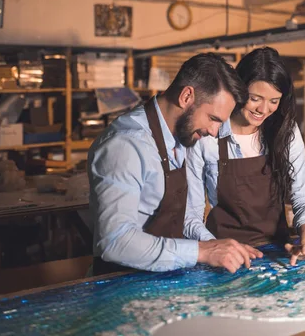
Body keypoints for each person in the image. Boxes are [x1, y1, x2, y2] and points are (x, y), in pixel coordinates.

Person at [88, 52, 264, 276]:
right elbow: (115, 242)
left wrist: (222, 248)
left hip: (162, 281)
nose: (214, 132)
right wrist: (202, 252)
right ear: (186, 96)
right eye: (213, 119)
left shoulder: (184, 138)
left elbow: (187, 219)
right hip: (120, 284)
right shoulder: (126, 145)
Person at [184, 47, 305, 266]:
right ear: (238, 89)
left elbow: (303, 196)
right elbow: (191, 216)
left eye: (274, 101)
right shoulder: (207, 134)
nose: (263, 109)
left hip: (276, 252)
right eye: (255, 98)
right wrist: (216, 249)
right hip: (224, 258)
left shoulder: (285, 132)